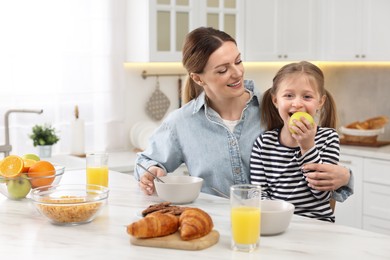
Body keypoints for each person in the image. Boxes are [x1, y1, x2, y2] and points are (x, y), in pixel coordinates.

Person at [134, 27, 353, 202]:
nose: (237, 72)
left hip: (278, 227)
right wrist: (151, 171)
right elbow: (147, 161)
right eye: (222, 70)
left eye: (238, 61)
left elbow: (315, 163)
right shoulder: (182, 122)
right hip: (217, 230)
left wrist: (345, 177)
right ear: (198, 78)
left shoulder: (274, 108)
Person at [250, 61, 339, 222]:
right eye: (289, 95)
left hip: (317, 224)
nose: (297, 103)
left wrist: (307, 147)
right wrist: (279, 219)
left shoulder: (329, 138)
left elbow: (322, 194)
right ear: (275, 100)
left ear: (320, 101)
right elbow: (259, 194)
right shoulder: (263, 144)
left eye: (307, 96)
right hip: (276, 221)